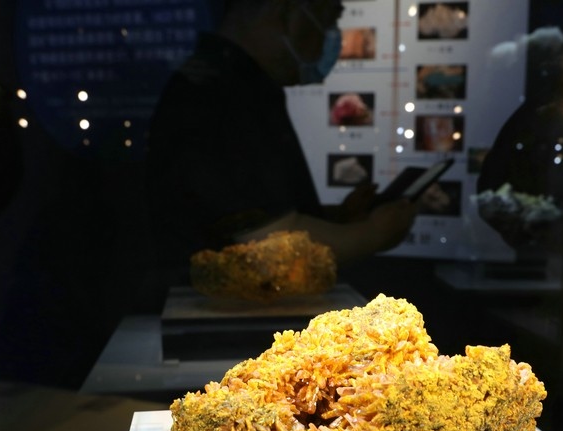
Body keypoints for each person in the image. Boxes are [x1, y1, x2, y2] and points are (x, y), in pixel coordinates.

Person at [144, 0, 417, 299]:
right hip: (221, 310)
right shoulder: (222, 94)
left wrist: (337, 218)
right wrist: (375, 233)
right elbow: (273, 251)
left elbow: (252, 209)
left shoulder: (239, 85)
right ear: (285, 14)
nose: (330, 36)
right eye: (326, 19)